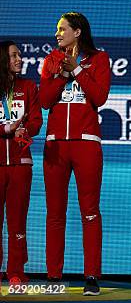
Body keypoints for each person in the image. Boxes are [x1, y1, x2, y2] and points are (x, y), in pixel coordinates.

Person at [39, 12, 110, 296]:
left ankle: (91, 276)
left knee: (90, 212)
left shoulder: (100, 59)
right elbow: (45, 101)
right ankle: (53, 275)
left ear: (77, 32)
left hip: (86, 144)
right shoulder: (51, 60)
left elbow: (100, 97)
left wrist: (78, 71)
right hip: (56, 144)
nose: (57, 34)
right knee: (54, 214)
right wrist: (63, 74)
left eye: (62, 29)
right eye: (57, 30)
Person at [0, 41, 42, 285]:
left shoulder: (28, 87)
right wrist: (6, 128)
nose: (20, 59)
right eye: (14, 56)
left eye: (19, 55)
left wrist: (24, 129)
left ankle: (16, 271)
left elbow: (36, 120)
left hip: (20, 165)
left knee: (17, 221)